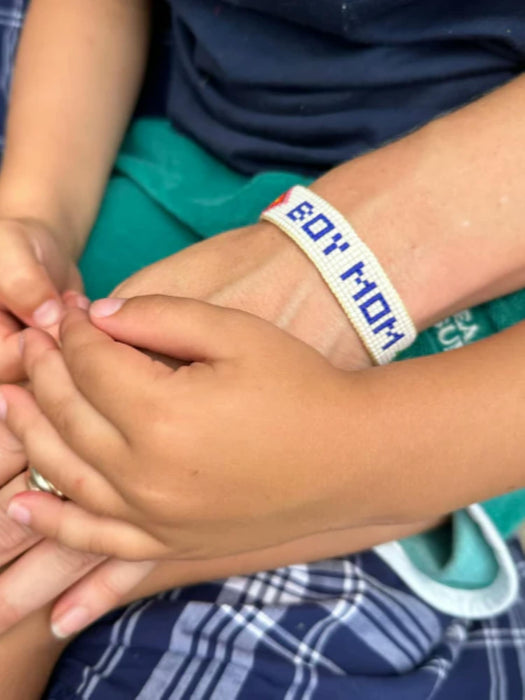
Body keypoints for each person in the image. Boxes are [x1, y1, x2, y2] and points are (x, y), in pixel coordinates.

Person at [1, 0, 525, 698]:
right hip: (162, 165)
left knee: (48, 564)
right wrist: (35, 208)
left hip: (475, 335)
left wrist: (349, 449)